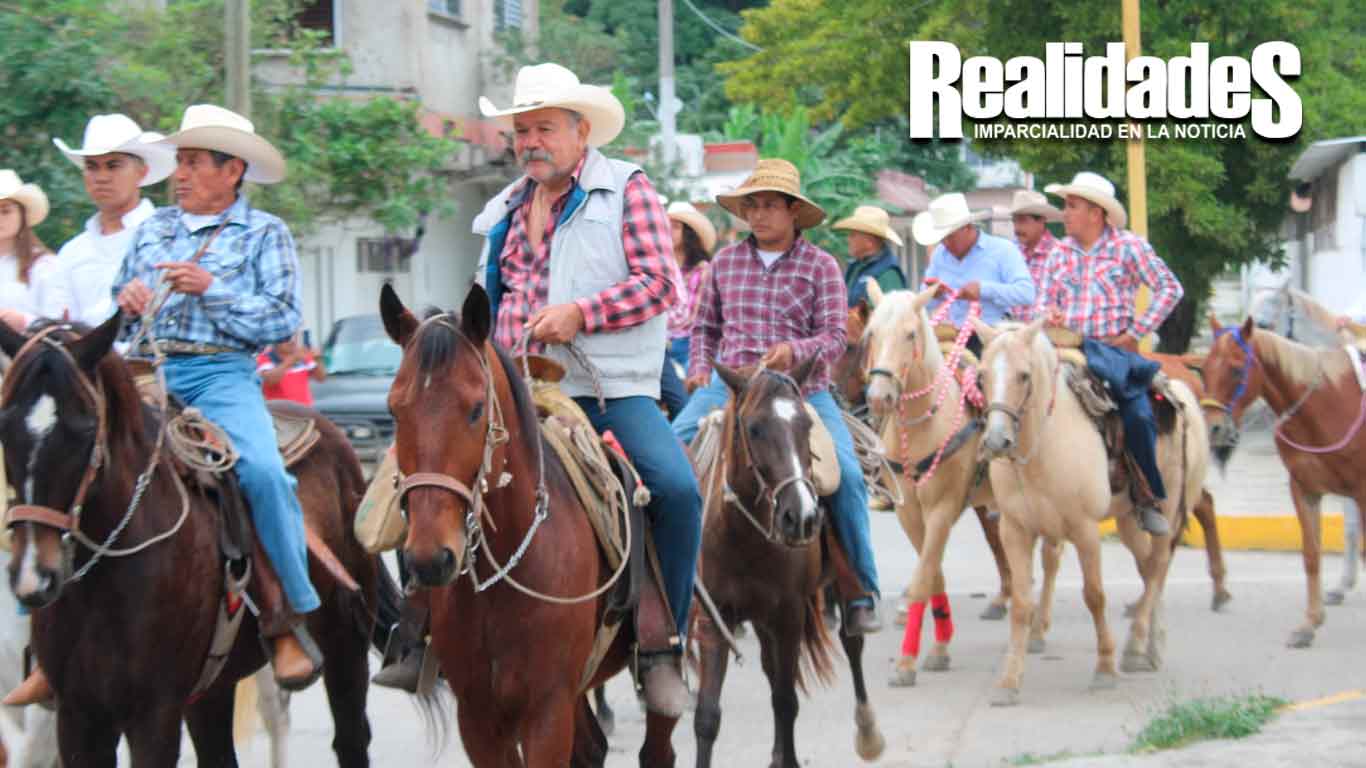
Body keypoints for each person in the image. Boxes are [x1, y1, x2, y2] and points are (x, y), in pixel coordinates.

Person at [376, 63, 703, 717]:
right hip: (511, 390)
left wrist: (581, 313)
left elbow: (661, 284)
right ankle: (415, 628)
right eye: (522, 129)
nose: (531, 141)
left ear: (581, 131)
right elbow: (483, 310)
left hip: (608, 387)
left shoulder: (626, 190)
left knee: (676, 488)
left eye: (544, 128)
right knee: (409, 481)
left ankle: (661, 642)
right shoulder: (501, 212)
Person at [671, 157, 883, 634]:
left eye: (769, 206)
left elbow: (834, 336)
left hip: (801, 392)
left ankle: (860, 590)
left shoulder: (822, 266)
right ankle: (665, 583)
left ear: (793, 212)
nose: (759, 215)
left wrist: (795, 351)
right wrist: (701, 368)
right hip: (731, 390)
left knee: (846, 476)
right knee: (668, 458)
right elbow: (704, 328)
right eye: (752, 206)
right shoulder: (723, 264)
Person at [1034, 171, 1185, 537]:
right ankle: (1017, 490)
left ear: (1096, 213)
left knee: (1137, 414)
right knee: (1017, 394)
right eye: (1065, 206)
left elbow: (1169, 288)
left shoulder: (1129, 247)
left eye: (1071, 206)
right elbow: (1041, 301)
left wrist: (1136, 332)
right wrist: (1047, 316)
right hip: (1062, 346)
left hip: (1111, 352)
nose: (1064, 213)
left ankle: (1146, 492)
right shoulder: (1059, 252)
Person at [49, 114, 175, 329]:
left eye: (113, 166)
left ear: (141, 173)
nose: (102, 177)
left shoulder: (171, 236)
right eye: (92, 167)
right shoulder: (72, 253)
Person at [914, 192, 1034, 357]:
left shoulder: (1003, 250)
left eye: (950, 237)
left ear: (967, 227)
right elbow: (922, 299)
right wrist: (933, 293)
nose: (946, 243)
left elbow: (1026, 293)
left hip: (992, 338)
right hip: (951, 338)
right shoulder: (939, 255)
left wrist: (983, 290)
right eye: (942, 238)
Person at [659, 201, 716, 418]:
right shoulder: (659, 267)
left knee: (697, 387)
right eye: (666, 225)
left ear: (689, 233)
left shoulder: (701, 271)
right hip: (657, 342)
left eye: (675, 226)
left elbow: (690, 317)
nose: (668, 231)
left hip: (686, 343)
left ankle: (693, 423)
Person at [0, 171, 60, 333]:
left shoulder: (44, 265)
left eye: (5, 211)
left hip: (29, 353)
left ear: (22, 215)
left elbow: (59, 321)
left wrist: (24, 321)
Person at [1007, 189, 1064, 322]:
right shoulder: (1010, 252)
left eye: (1022, 221)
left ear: (1041, 221)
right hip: (1010, 333)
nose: (1016, 228)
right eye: (1014, 221)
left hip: (1047, 336)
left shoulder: (1061, 255)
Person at [836, 204, 907, 308]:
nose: (849, 239)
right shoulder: (855, 267)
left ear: (869, 242)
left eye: (853, 235)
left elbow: (893, 317)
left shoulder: (889, 274)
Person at [258, 332, 326, 405]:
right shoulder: (265, 358)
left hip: (304, 412)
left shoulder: (300, 354)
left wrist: (318, 358)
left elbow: (321, 378)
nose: (292, 341)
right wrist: (291, 360)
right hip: (279, 414)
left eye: (293, 336)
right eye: (286, 338)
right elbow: (269, 381)